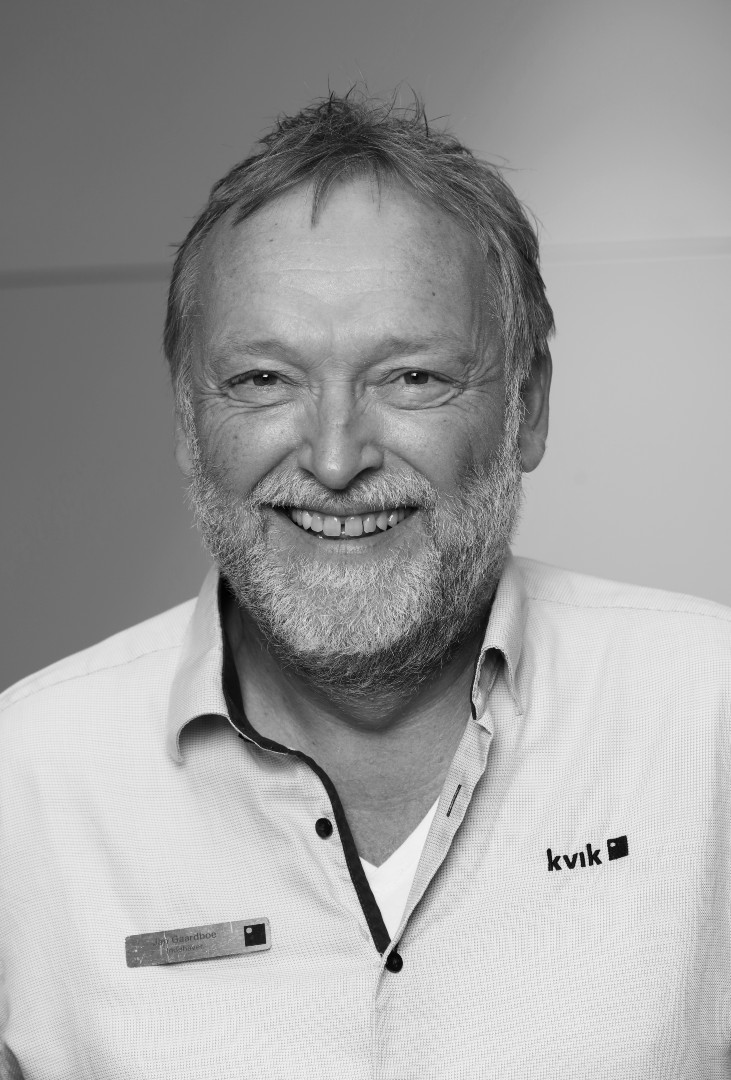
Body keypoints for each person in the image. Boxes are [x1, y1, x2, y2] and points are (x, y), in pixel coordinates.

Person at [1, 92, 729, 1080]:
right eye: (264, 380)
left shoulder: (710, 720)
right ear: (187, 423)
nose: (336, 459)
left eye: (411, 377)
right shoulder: (25, 783)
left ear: (526, 407)